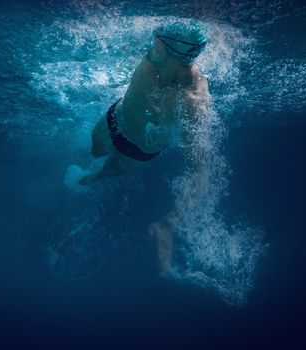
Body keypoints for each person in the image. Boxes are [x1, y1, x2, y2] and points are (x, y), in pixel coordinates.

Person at [64, 21, 213, 275]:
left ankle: (91, 178)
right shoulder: (154, 58)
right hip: (112, 121)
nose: (150, 41)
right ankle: (82, 176)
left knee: (99, 176)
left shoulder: (192, 101)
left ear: (167, 49)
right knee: (94, 152)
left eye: (156, 39)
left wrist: (170, 222)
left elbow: (201, 173)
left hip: (136, 152)